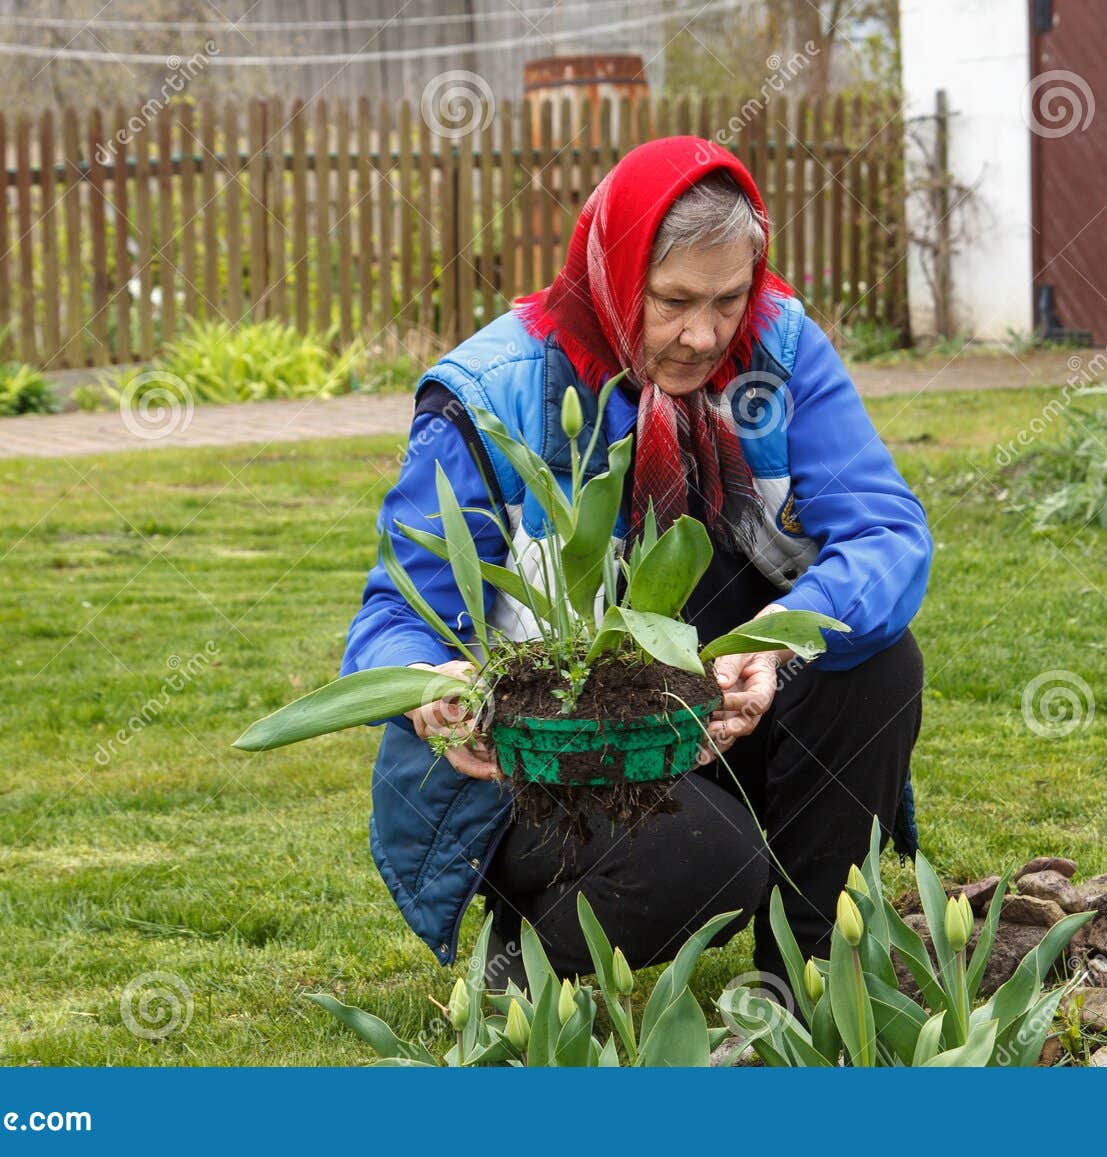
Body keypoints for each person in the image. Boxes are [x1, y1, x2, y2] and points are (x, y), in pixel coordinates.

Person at [339, 135, 931, 991]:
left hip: (709, 707)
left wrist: (775, 634)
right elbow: (390, 618)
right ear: (616, 274)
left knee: (875, 661)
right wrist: (432, 684)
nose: (703, 334)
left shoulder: (779, 351)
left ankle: (803, 991)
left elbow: (889, 534)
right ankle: (518, 978)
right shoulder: (490, 391)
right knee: (703, 863)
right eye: (674, 301)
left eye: (729, 298)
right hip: (542, 747)